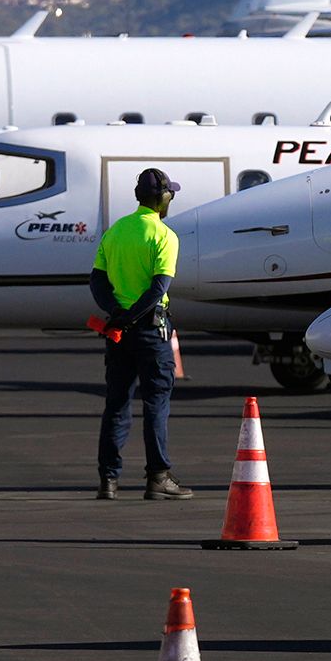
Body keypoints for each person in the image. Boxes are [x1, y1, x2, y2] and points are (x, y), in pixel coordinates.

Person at [93, 168, 189, 501]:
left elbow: (98, 282)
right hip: (151, 332)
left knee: (116, 405)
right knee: (155, 405)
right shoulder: (164, 235)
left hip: (118, 334)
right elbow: (157, 289)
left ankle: (108, 480)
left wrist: (117, 317)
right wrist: (132, 318)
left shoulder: (116, 231)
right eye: (170, 194)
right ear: (163, 198)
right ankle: (158, 478)